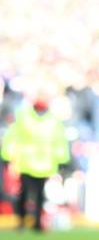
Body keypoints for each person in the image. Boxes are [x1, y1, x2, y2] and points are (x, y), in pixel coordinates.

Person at [1, 99, 70, 231]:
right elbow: (12, 137)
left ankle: (35, 223)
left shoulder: (51, 121)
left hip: (42, 164)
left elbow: (60, 141)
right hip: (28, 163)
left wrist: (62, 160)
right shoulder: (25, 119)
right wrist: (7, 157)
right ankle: (22, 221)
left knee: (38, 195)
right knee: (25, 193)